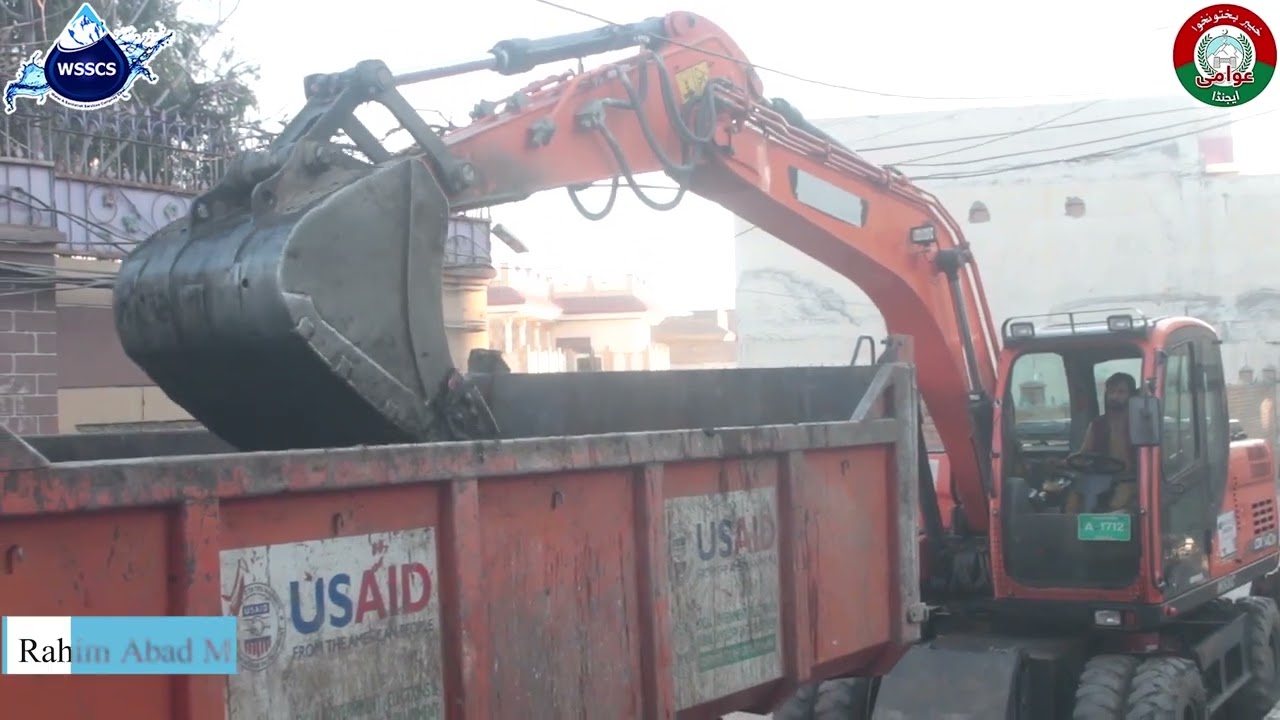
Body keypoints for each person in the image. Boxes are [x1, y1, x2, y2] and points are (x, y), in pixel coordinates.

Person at [1060, 372, 1139, 514]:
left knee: (1118, 503)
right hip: (1100, 479)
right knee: (1072, 501)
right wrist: (1062, 463)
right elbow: (1084, 454)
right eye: (1111, 392)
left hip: (1130, 480)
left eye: (1121, 392)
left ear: (1131, 395)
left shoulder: (1139, 425)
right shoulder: (1097, 424)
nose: (1115, 396)